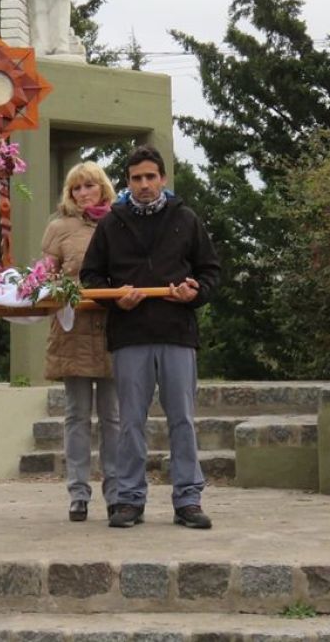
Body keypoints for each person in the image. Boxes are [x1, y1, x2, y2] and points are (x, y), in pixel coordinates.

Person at [80, 146, 221, 530]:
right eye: (136, 178)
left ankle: (188, 500)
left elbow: (210, 272)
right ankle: (128, 500)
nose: (144, 184)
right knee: (130, 422)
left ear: (162, 179)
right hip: (130, 334)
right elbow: (91, 277)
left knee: (183, 420)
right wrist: (115, 300)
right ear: (127, 183)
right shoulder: (113, 223)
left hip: (177, 332)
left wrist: (196, 292)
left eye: (150, 177)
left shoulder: (186, 219)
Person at [40, 161, 120, 523]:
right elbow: (46, 275)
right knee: (76, 416)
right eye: (77, 188)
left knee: (113, 416)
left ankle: (117, 491)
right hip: (73, 329)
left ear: (102, 187)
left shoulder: (121, 221)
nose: (84, 193)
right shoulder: (58, 227)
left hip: (112, 328)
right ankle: (78, 492)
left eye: (90, 185)